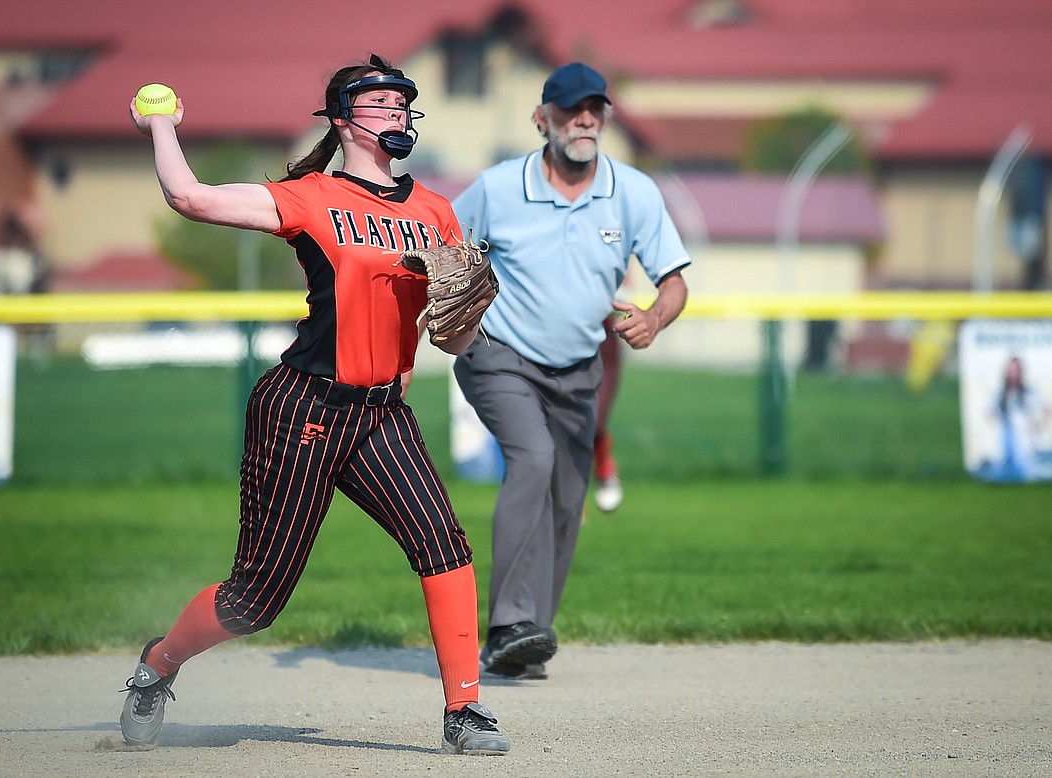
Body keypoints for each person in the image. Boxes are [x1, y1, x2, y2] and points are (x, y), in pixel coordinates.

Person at [119, 54, 510, 756]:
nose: (396, 111)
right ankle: (158, 666)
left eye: (402, 102)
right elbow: (190, 198)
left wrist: (463, 319)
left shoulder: (435, 212)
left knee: (444, 543)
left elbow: (453, 338)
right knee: (254, 601)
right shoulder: (310, 196)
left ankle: (466, 712)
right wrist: (161, 127)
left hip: (383, 413)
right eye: (380, 101)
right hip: (303, 408)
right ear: (342, 120)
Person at [452, 62, 691, 680]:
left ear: (605, 118)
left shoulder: (634, 191)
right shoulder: (499, 188)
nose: (583, 119)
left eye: (594, 109)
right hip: (498, 354)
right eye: (568, 109)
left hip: (579, 369)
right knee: (531, 457)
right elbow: (441, 246)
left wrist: (655, 319)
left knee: (566, 499)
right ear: (543, 119)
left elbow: (674, 282)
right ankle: (507, 621)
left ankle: (526, 640)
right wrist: (441, 320)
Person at [987, 355, 1050, 482]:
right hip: (1006, 443)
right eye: (1011, 370)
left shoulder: (1029, 393)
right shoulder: (1000, 394)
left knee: (1028, 473)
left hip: (1026, 444)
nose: (1013, 374)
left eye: (1016, 370)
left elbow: (1047, 410)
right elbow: (989, 412)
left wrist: (1038, 426)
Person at [592, 314, 624, 512]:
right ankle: (564, 504)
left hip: (600, 338)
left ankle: (604, 467)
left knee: (592, 420)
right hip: (553, 339)